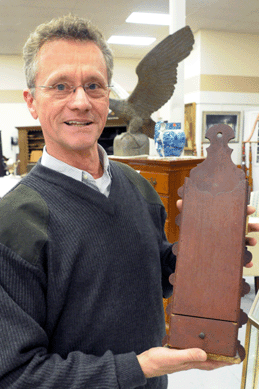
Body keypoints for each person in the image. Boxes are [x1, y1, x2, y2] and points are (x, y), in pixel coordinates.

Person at [0, 14, 257, 388]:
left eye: (94, 85)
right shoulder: (13, 226)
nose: (80, 102)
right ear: (32, 102)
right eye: (60, 86)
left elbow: (156, 277)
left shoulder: (138, 188)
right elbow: (16, 375)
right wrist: (139, 368)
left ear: (107, 96)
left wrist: (206, 247)